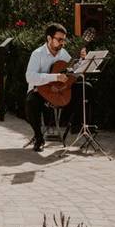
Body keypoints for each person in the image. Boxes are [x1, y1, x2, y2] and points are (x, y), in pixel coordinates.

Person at [24, 23, 87, 152]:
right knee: (31, 102)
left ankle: (75, 126)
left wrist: (81, 61)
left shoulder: (63, 53)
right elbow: (30, 77)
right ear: (49, 39)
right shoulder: (37, 54)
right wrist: (55, 77)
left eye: (64, 40)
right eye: (59, 39)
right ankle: (39, 137)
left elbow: (73, 72)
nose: (62, 43)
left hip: (59, 91)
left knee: (86, 88)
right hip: (40, 91)